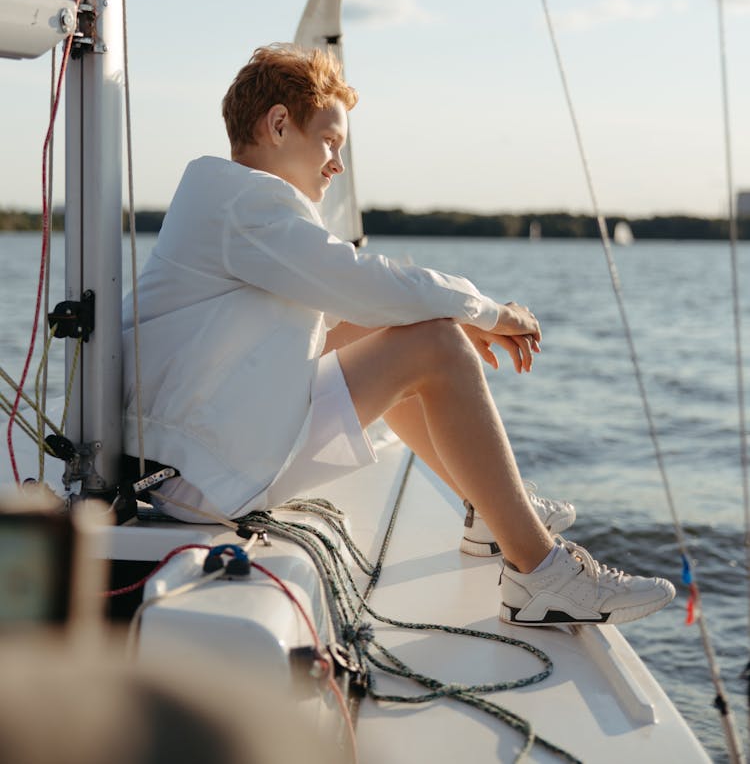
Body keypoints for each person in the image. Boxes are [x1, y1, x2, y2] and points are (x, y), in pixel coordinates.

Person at [123, 43, 675, 627]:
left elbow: (335, 315)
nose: (336, 163)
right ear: (280, 124)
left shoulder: (228, 204)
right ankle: (541, 575)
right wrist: (487, 313)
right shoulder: (248, 205)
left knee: (421, 331)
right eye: (330, 141)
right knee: (432, 345)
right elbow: (361, 281)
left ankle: (489, 513)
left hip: (191, 455)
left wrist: (444, 316)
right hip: (202, 470)